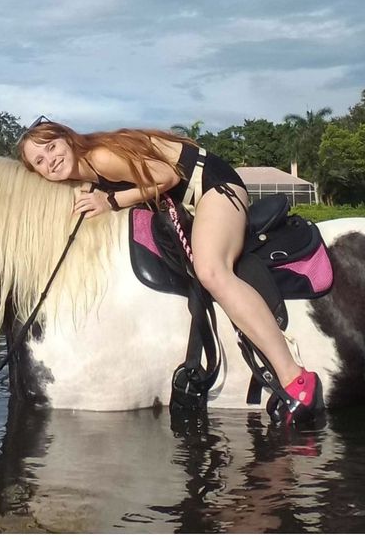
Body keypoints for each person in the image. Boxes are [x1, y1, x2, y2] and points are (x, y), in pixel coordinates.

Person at [17, 118, 320, 422]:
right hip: (188, 199)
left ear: (67, 138)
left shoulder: (100, 157)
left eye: (51, 147)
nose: (50, 161)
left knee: (212, 271)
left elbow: (168, 176)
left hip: (212, 186)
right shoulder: (83, 174)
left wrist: (111, 200)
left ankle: (295, 377)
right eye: (39, 161)